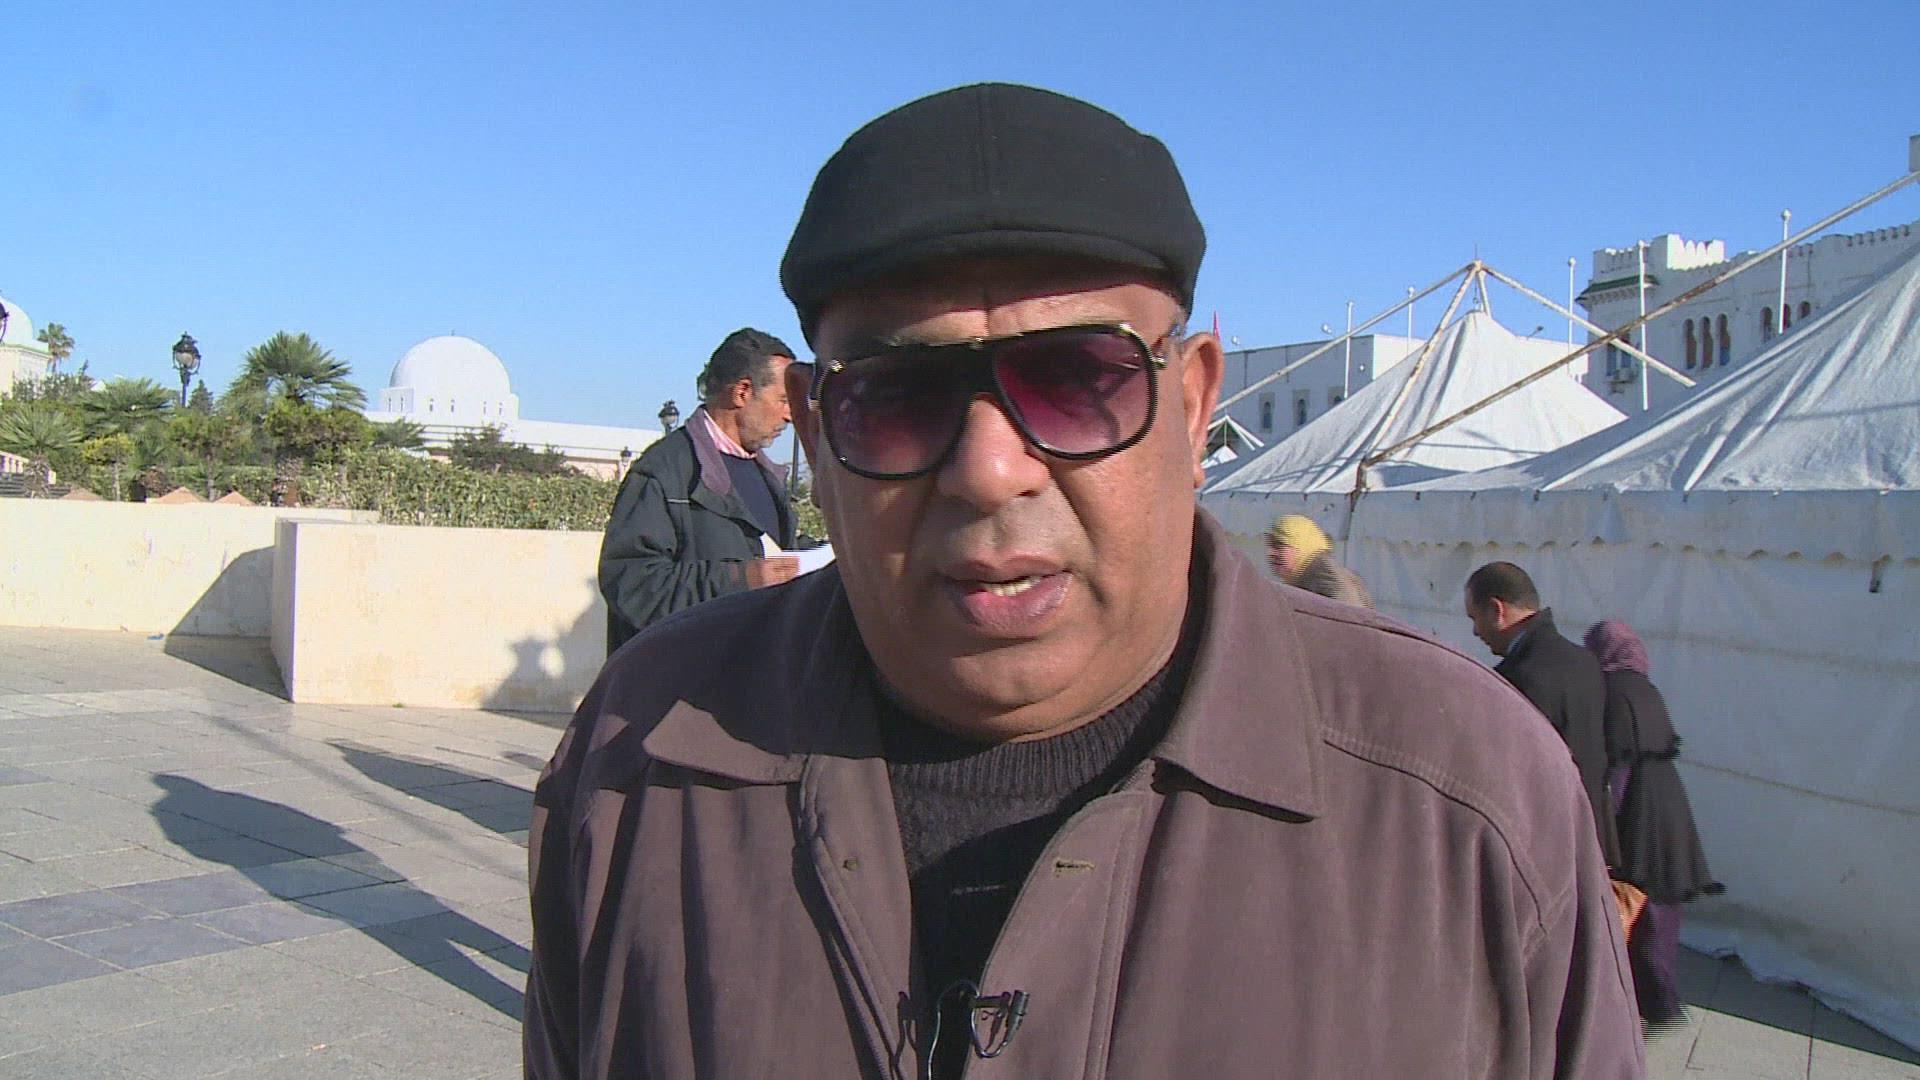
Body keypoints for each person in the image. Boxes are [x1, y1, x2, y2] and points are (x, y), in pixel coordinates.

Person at [528, 83, 1642, 1079]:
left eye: (1075, 378)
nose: (989, 469)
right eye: (898, 395)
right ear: (818, 440)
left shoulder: (1464, 797)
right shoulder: (639, 758)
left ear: (1193, 407)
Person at [596, 327, 799, 654]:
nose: (790, 415)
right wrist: (740, 579)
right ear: (742, 392)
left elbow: (769, 551)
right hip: (678, 678)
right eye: (783, 400)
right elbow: (632, 583)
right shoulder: (664, 471)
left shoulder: (767, 475)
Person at [1585, 619, 1723, 1030]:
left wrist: (1605, 828)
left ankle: (1645, 1007)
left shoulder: (1611, 693)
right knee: (1661, 910)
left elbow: (1619, 765)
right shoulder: (1646, 689)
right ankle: (1661, 1002)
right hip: (1668, 806)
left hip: (1638, 810)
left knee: (1634, 910)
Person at [1465, 561, 1621, 868]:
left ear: (1496, 609)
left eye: (1474, 618)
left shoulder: (1517, 679)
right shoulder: (1584, 662)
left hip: (1543, 843)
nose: (1474, 631)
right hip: (1590, 832)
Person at [1266, 513, 1372, 607]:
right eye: (1270, 545)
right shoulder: (1302, 578)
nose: (1270, 553)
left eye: (1279, 545)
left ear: (1302, 545)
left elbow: (1351, 621)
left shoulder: (1329, 583)